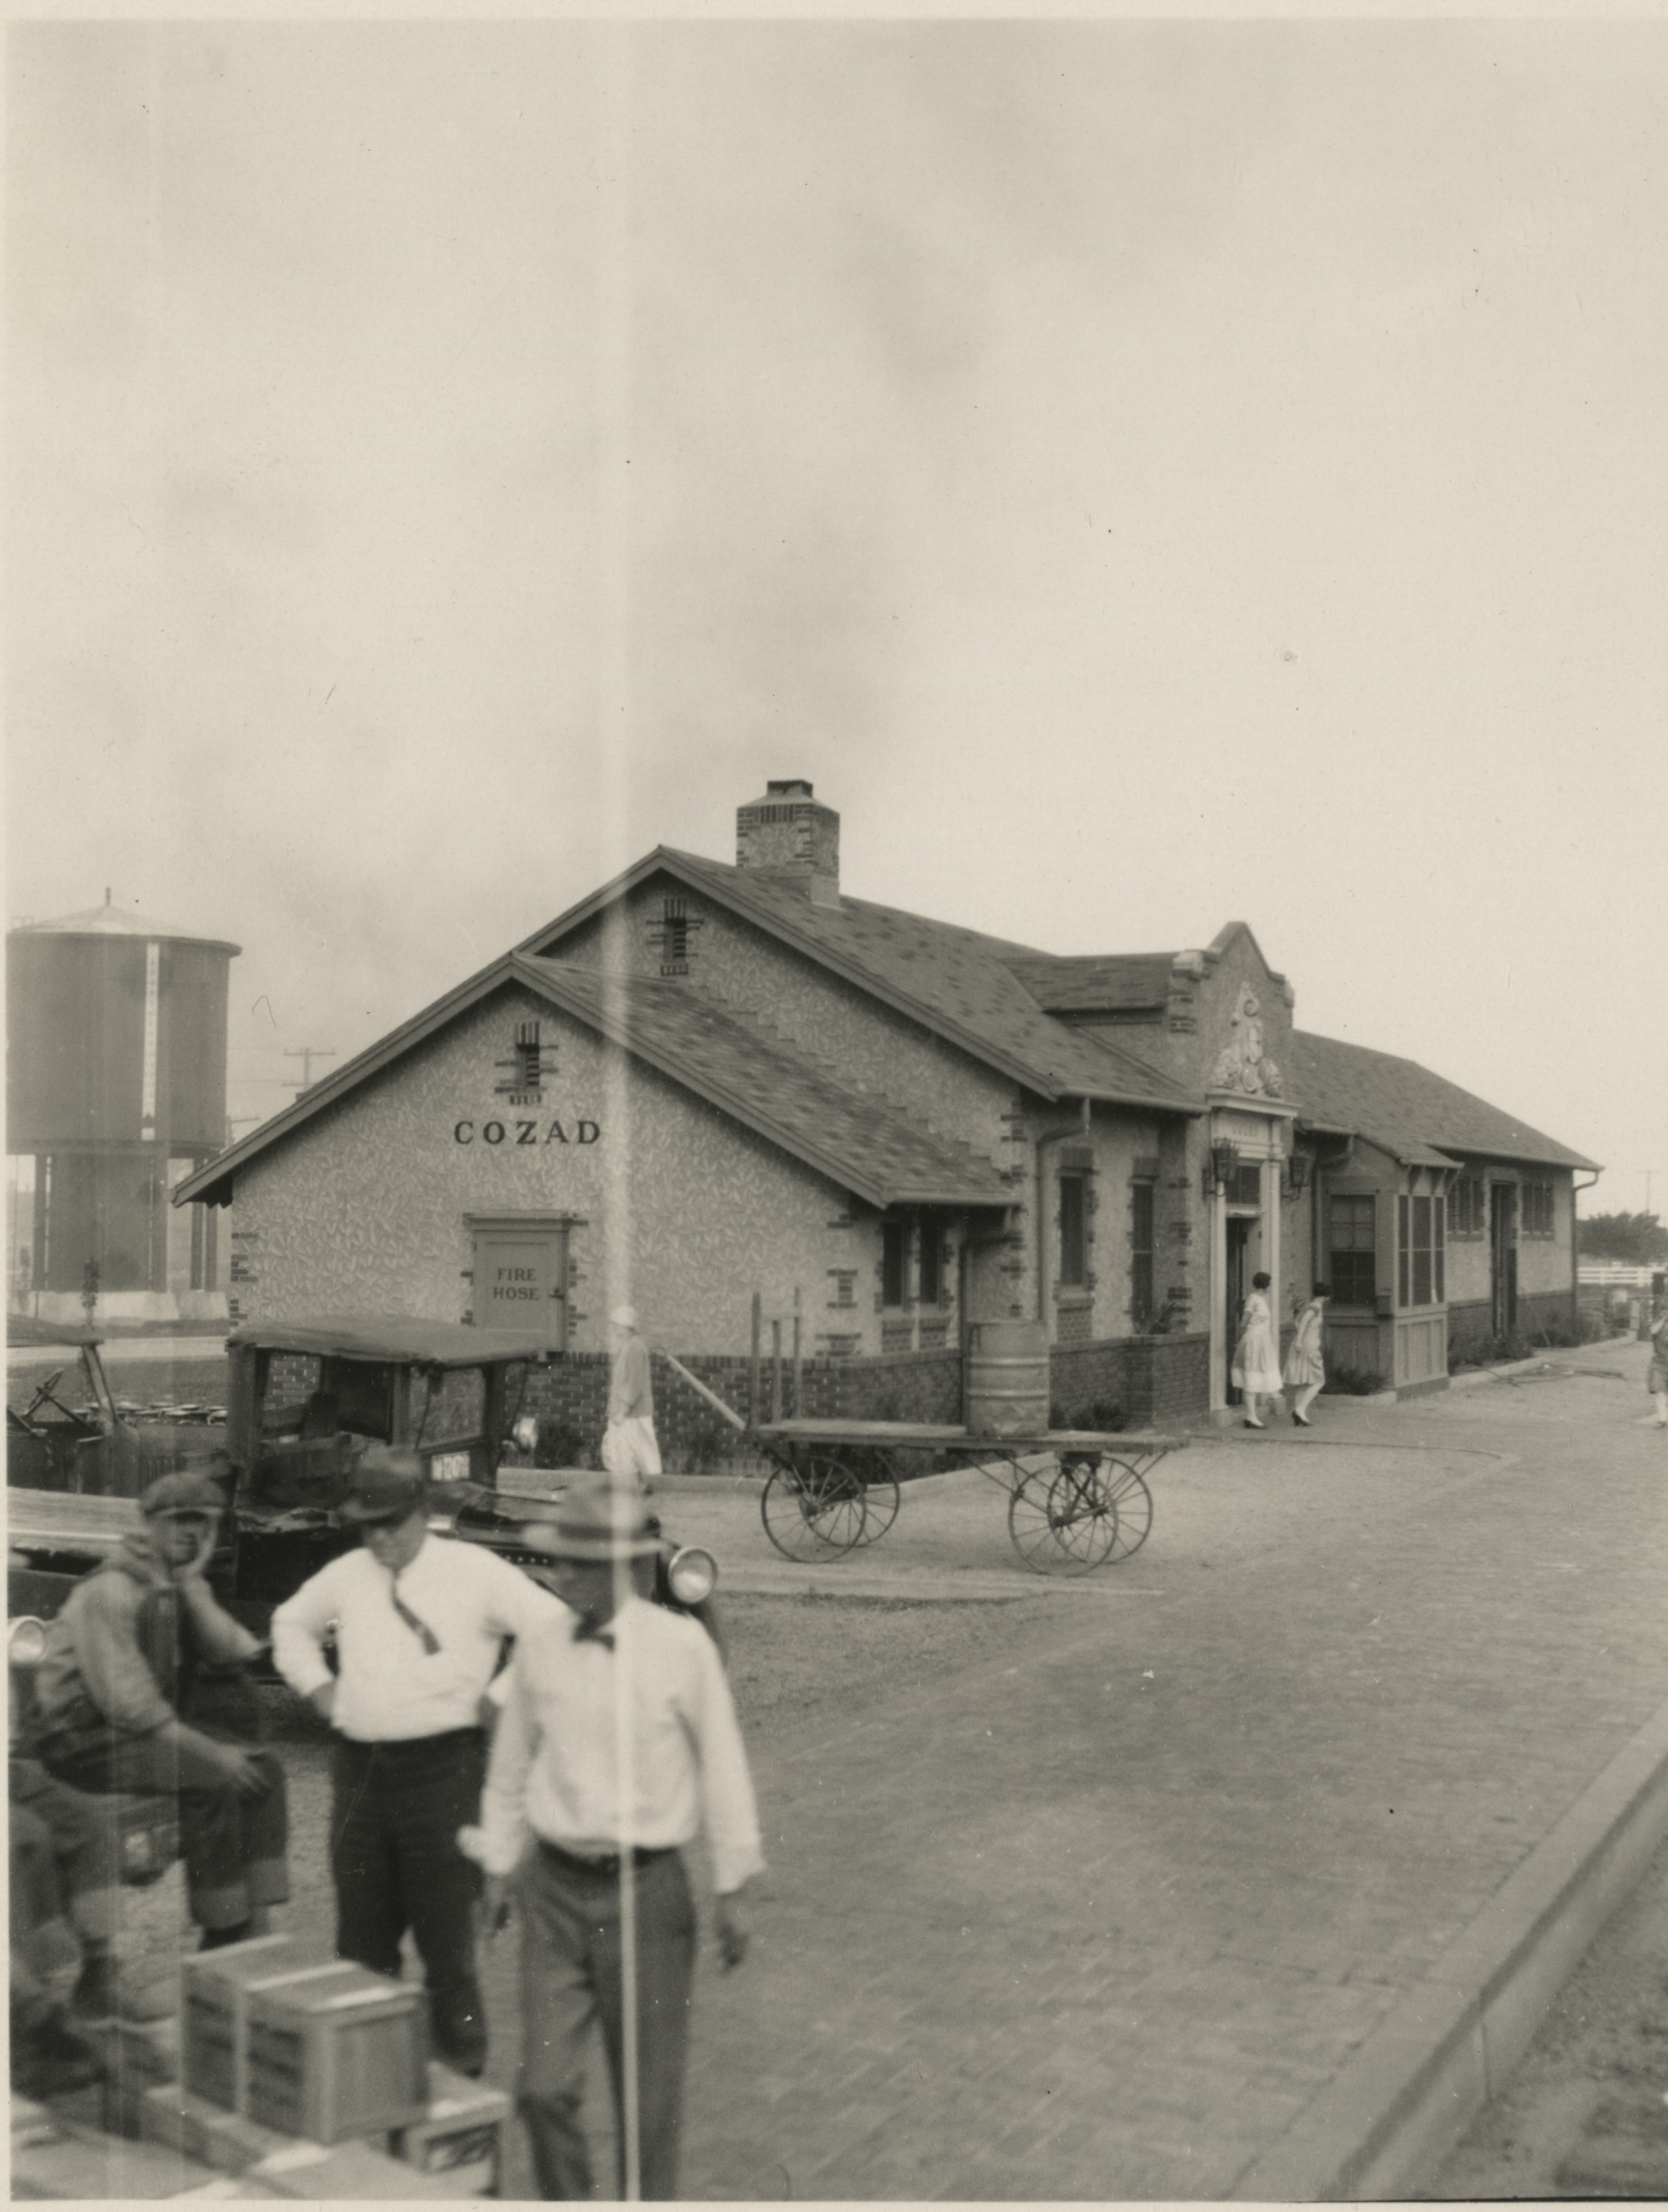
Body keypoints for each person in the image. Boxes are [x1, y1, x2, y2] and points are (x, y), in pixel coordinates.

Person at [463, 1475, 763, 2200]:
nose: (559, 1576)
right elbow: (508, 1768)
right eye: (557, 1561)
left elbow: (722, 1766)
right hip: (554, 1896)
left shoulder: (681, 1646)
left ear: (621, 1565)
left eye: (574, 1563)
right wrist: (499, 1868)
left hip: (649, 1900)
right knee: (542, 2089)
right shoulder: (539, 1644)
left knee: (646, 2109)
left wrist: (733, 1888)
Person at [270, 1443, 562, 2077]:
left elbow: (554, 1627)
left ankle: (459, 2074)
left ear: (421, 1512)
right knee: (361, 1940)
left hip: (445, 1776)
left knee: (446, 1939)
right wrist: (321, 1692)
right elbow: (289, 1624)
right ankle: (371, 2078)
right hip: (361, 1777)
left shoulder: (475, 1571)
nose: (381, 1541)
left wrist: (499, 1698)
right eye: (369, 1527)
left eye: (392, 1525)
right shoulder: (348, 1575)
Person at [28, 1471, 288, 1951]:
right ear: (147, 1523)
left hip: (126, 1738)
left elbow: (235, 1653)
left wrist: (194, 1589)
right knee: (212, 1774)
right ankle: (224, 1930)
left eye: (205, 1524)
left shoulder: (174, 1584)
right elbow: (132, 1707)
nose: (193, 1533)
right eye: (180, 1521)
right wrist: (214, 1755)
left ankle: (258, 1920)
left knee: (264, 1767)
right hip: (76, 1742)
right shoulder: (111, 1590)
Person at [602, 1306, 661, 1478]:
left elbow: (635, 1383)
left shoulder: (634, 1348)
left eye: (617, 1325)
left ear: (627, 1327)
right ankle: (632, 1486)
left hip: (634, 1413)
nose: (614, 1329)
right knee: (623, 1451)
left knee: (640, 1451)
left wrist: (623, 1410)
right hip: (627, 1412)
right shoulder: (627, 1346)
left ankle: (646, 1484)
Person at [1231, 1270, 1286, 1429]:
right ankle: (1251, 1417)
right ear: (1265, 1285)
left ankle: (1251, 1416)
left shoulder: (1262, 1300)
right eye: (1269, 1284)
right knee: (1251, 1377)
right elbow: (1244, 1322)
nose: (1270, 1287)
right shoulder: (1253, 1299)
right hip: (1254, 1341)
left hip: (1262, 1341)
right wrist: (1241, 1340)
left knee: (1257, 1377)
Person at [1284, 1282, 1331, 1428]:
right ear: (1325, 1296)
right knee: (1319, 1381)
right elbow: (1303, 1321)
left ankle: (1300, 1417)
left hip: (1304, 1344)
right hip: (1310, 1347)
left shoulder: (1310, 1306)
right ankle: (1299, 1410)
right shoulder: (1316, 1307)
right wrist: (1301, 1339)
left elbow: (1297, 1320)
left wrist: (1300, 1338)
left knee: (1303, 1382)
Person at [1648, 1305, 1668, 1430]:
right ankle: (1662, 1420)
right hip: (1660, 1362)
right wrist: (1664, 1319)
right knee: (1659, 1391)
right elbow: (1653, 1331)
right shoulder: (1660, 1319)